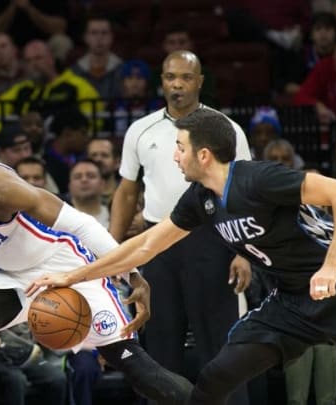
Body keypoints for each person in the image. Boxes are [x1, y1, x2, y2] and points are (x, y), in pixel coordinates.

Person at [28, 108, 336, 405]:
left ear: (203, 154)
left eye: (180, 147)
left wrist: (331, 266)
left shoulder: (258, 178)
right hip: (290, 304)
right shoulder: (200, 199)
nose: (175, 156)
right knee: (217, 374)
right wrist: (75, 276)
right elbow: (146, 245)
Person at [0, 127, 193, 405]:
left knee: (137, 368)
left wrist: (132, 274)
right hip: (1, 276)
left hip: (61, 266)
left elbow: (82, 224)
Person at [108, 50, 251, 404]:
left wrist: (243, 251)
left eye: (186, 77)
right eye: (171, 77)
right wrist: (111, 253)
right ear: (162, 82)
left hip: (214, 240)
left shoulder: (226, 129)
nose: (177, 85)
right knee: (158, 348)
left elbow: (246, 194)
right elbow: (126, 193)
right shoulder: (141, 130)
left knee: (221, 348)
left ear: (200, 82)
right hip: (159, 244)